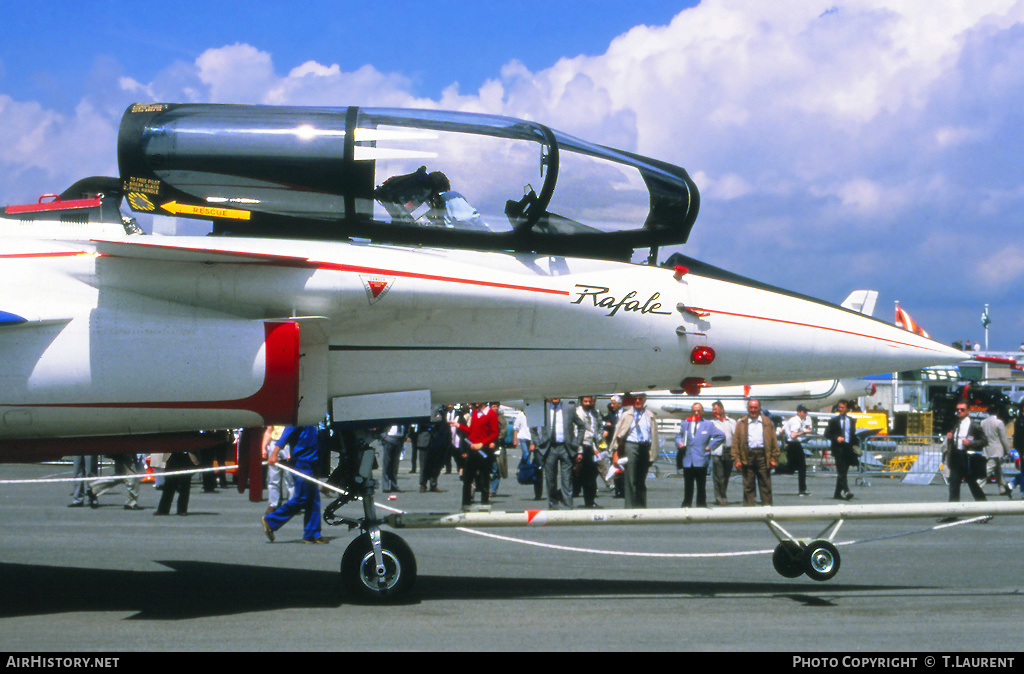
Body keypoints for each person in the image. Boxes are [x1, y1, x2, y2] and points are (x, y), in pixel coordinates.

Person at [262, 425, 328, 543]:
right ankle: (271, 521)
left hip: (311, 462)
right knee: (302, 497)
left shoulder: (315, 419)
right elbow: (285, 434)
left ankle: (312, 534)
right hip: (301, 462)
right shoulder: (301, 417)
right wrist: (274, 453)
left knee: (313, 499)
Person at [534, 397, 585, 510]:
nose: (555, 397)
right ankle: (553, 505)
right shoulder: (543, 409)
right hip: (549, 447)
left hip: (566, 447)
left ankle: (568, 506)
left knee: (567, 479)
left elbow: (581, 425)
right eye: (553, 395)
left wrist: (577, 442)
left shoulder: (569, 408)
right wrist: (538, 443)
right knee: (550, 479)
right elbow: (532, 427)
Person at [612, 394, 660, 509]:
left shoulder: (650, 415)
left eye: (640, 399)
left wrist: (652, 454)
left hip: (644, 447)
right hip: (631, 446)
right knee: (630, 478)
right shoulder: (627, 414)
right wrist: (615, 452)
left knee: (641, 479)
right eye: (635, 399)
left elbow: (654, 435)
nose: (638, 401)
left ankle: (641, 507)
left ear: (644, 400)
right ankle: (630, 507)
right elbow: (617, 433)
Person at [675, 403, 725, 508]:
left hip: (701, 459)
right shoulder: (686, 423)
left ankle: (701, 505)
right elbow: (679, 436)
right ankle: (686, 504)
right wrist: (679, 442)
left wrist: (710, 446)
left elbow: (721, 436)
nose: (696, 413)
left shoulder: (708, 424)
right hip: (688, 459)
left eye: (698, 411)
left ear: (702, 412)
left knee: (701, 485)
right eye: (694, 411)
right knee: (688, 485)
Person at [732, 399, 778, 506]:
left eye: (755, 407)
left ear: (759, 408)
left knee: (765, 483)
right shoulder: (741, 423)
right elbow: (735, 443)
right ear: (747, 409)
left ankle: (767, 508)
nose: (753, 410)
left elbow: (773, 441)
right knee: (748, 484)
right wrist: (737, 459)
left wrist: (774, 458)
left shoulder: (767, 422)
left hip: (763, 455)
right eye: (751, 408)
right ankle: (749, 509)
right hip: (747, 455)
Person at [455, 402, 500, 509]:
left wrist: (482, 444)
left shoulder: (491, 414)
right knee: (467, 478)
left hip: (483, 450)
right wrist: (459, 426)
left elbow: (495, 432)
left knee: (484, 478)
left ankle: (484, 504)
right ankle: (466, 503)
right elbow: (472, 430)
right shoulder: (475, 413)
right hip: (472, 448)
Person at [943, 402, 987, 505]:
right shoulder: (956, 424)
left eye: (962, 409)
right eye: (957, 409)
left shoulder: (974, 425)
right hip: (956, 458)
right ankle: (952, 512)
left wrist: (970, 443)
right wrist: (950, 439)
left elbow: (984, 441)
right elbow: (954, 441)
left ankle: (986, 509)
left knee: (973, 485)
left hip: (968, 459)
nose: (959, 411)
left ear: (968, 411)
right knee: (953, 485)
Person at [824, 401, 859, 500]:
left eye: (843, 407)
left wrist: (856, 446)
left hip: (848, 448)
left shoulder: (851, 420)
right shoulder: (834, 421)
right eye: (840, 407)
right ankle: (846, 490)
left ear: (848, 409)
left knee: (844, 471)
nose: (841, 409)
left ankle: (837, 493)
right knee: (841, 470)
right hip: (838, 448)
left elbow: (852, 435)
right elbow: (826, 434)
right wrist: (836, 438)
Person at [574, 395, 603, 508]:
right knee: (581, 475)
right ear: (581, 402)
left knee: (591, 475)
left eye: (589, 401)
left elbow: (596, 430)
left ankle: (589, 501)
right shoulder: (578, 413)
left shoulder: (594, 413)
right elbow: (576, 432)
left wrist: (596, 447)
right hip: (582, 446)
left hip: (590, 446)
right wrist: (579, 451)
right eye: (585, 401)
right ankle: (560, 495)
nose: (587, 403)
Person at [980, 405, 1013, 498]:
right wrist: (1008, 450)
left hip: (987, 448)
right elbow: (1003, 438)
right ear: (997, 412)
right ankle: (978, 484)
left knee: (997, 470)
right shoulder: (999, 423)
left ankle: (1002, 488)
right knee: (988, 469)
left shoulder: (983, 422)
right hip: (997, 450)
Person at [155, 451, 197, 516]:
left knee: (185, 484)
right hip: (172, 454)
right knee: (169, 484)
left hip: (187, 455)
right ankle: (163, 509)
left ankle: (182, 510)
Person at [709, 401, 735, 505]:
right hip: (717, 451)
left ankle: (723, 494)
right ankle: (720, 498)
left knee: (726, 475)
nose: (714, 411)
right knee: (718, 476)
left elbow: (736, 435)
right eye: (713, 409)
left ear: (722, 409)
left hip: (728, 450)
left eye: (715, 409)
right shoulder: (712, 423)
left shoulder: (731, 422)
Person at [783, 405, 813, 496]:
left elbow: (783, 429)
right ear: (799, 412)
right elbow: (793, 435)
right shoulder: (796, 421)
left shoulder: (793, 420)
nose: (805, 414)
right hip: (794, 444)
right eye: (804, 412)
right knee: (801, 467)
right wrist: (804, 432)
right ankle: (802, 490)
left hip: (792, 444)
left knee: (791, 468)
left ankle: (775, 469)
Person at [262, 425, 293, 512]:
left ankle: (291, 504)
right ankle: (273, 503)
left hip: (288, 443)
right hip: (274, 442)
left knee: (290, 477)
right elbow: (269, 430)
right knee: (273, 477)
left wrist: (292, 450)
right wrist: (263, 447)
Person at [603, 395, 625, 498]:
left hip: (624, 444)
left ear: (620, 404)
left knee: (624, 467)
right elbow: (607, 425)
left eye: (613, 403)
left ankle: (625, 490)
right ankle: (618, 490)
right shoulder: (611, 414)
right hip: (613, 444)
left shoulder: (626, 413)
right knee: (615, 467)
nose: (611, 405)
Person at [380, 424, 407, 493]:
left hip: (399, 439)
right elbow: (381, 426)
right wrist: (384, 436)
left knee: (395, 464)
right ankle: (385, 486)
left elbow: (407, 426)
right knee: (387, 463)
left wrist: (405, 436)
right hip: (389, 438)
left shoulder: (403, 418)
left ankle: (393, 485)